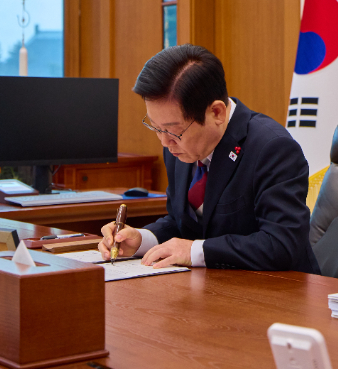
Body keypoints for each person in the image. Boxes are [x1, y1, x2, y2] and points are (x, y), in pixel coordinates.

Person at [98, 44, 320, 274]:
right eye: (156, 128)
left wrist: (195, 251)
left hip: (282, 289)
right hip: (212, 285)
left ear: (216, 112)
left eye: (173, 131)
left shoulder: (272, 148)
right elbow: (182, 222)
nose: (164, 142)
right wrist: (142, 239)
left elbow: (281, 244)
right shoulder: (176, 146)